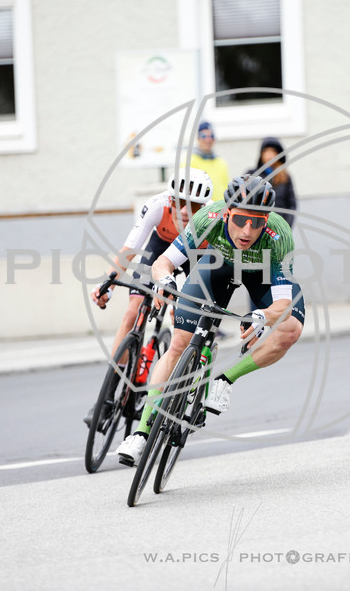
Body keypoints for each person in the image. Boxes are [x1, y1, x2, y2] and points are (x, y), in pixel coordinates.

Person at [115, 174, 305, 466]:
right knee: (179, 343)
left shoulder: (278, 237)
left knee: (291, 329)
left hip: (262, 274)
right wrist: (165, 280)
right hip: (218, 267)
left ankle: (224, 380)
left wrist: (261, 315)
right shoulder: (209, 218)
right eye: (240, 220)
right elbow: (163, 262)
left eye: (256, 223)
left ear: (266, 222)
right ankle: (140, 433)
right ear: (228, 212)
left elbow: (282, 303)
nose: (246, 230)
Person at [88, 168, 213, 415]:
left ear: (204, 206)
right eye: (180, 202)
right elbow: (130, 249)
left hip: (193, 255)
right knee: (131, 314)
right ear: (170, 199)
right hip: (159, 250)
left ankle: (182, 392)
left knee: (183, 323)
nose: (186, 212)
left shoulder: (211, 219)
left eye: (195, 206)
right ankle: (107, 397)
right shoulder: (157, 205)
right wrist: (108, 285)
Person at [248, 136, 297, 226]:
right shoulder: (252, 175)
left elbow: (291, 205)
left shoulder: (285, 177)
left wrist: (286, 226)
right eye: (267, 152)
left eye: (273, 152)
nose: (269, 156)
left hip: (279, 225)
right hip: (257, 225)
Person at [188, 121, 230, 200]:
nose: (208, 140)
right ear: (198, 138)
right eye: (204, 136)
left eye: (211, 136)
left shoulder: (221, 162)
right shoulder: (190, 161)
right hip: (200, 210)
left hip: (220, 209)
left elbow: (226, 189)